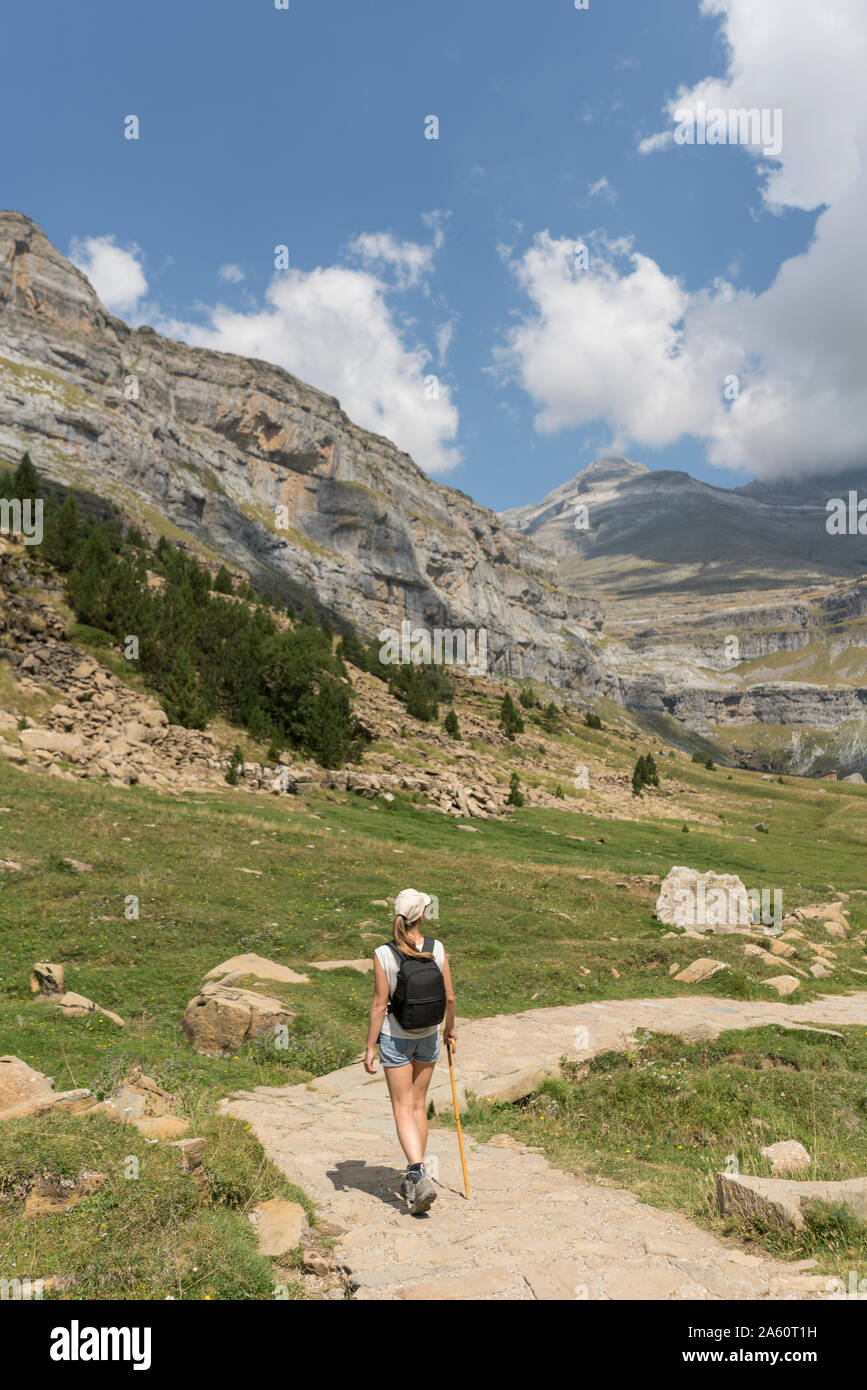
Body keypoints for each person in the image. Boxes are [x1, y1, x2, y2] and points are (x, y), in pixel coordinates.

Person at [363, 888, 456, 1215]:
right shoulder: (437, 948)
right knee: (418, 1106)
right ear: (422, 916)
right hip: (429, 1035)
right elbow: (450, 998)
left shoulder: (383, 953)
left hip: (396, 1036)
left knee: (402, 1108)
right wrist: (450, 1029)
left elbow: (378, 1005)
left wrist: (370, 1047)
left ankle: (417, 1172)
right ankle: (418, 1175)